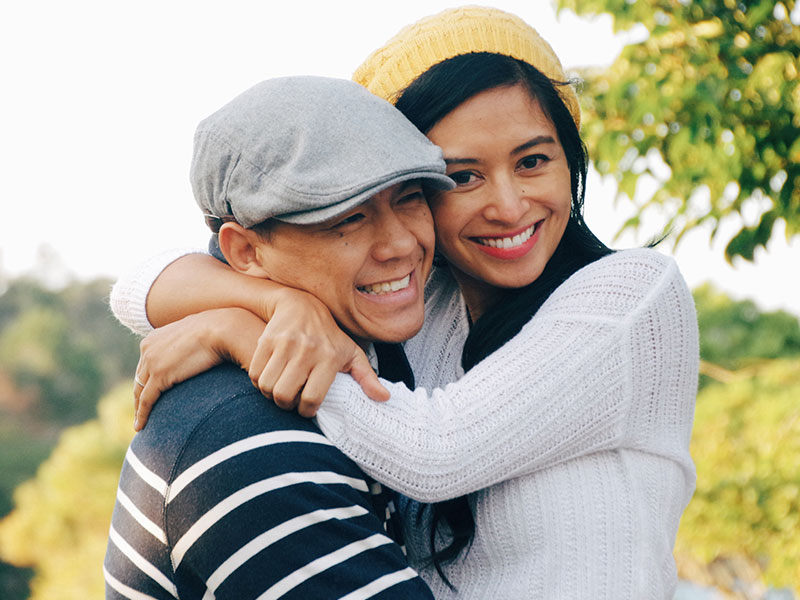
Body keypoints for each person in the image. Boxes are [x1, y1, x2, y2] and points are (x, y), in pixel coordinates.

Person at [111, 7, 699, 599]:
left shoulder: (632, 297)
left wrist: (242, 336)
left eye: (533, 161)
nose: (510, 204)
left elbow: (435, 450)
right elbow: (138, 285)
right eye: (462, 177)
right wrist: (269, 305)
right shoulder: (421, 298)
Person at [103, 75, 457, 599]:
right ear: (246, 252)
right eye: (349, 218)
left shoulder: (368, 339)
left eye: (410, 198)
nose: (401, 244)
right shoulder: (252, 444)